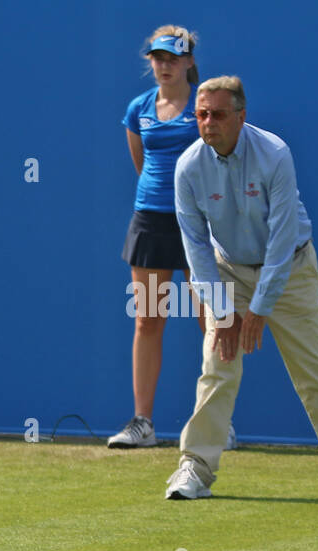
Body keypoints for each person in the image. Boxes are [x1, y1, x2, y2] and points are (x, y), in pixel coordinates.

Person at [166, 77, 318, 499]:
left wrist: (261, 308)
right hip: (228, 271)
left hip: (290, 269)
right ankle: (194, 469)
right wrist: (221, 309)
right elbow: (195, 247)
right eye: (201, 115)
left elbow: (282, 239)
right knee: (216, 369)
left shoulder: (274, 154)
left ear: (242, 116)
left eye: (219, 115)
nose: (208, 123)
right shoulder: (188, 167)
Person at [111, 25, 238, 451]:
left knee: (210, 321)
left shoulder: (206, 106)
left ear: (188, 62)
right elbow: (142, 162)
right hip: (150, 220)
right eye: (157, 58)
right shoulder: (138, 109)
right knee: (148, 319)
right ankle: (142, 423)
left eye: (172, 58)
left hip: (199, 225)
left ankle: (215, 422)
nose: (164, 65)